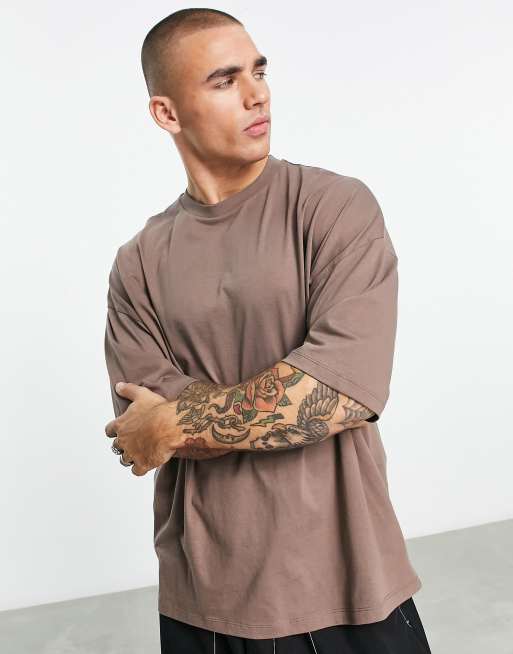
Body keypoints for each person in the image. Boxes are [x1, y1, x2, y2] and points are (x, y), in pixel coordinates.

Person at [103, 8, 432, 654]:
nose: (257, 95)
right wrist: (193, 420)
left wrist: (178, 420)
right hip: (205, 601)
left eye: (259, 72)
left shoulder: (333, 208)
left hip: (350, 587)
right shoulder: (137, 263)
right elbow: (141, 428)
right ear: (167, 113)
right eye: (224, 80)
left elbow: (339, 394)